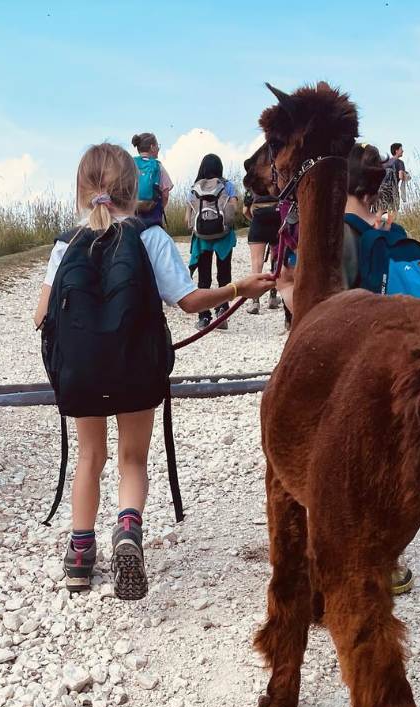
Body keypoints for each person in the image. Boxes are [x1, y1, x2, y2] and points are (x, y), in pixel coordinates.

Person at [33, 144, 275, 599]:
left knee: (90, 457)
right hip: (137, 369)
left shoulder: (66, 244)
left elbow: (40, 314)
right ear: (134, 188)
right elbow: (188, 302)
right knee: (132, 459)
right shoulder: (150, 237)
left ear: (82, 191)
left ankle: (80, 553)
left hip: (82, 374)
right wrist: (237, 287)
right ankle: (127, 530)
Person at [341, 142, 415, 595]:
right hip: (398, 357)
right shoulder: (394, 230)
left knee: (350, 452)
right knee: (390, 453)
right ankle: (387, 557)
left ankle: (347, 548)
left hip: (351, 359)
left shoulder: (336, 235)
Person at [186, 154, 239, 330]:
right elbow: (234, 209)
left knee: (204, 277)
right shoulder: (228, 185)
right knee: (224, 274)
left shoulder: (195, 187)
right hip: (223, 236)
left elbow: (188, 218)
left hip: (202, 238)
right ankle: (222, 310)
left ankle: (203, 317)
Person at [242, 154, 283, 315]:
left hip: (258, 224)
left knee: (256, 264)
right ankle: (273, 297)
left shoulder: (252, 187)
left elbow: (245, 210)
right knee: (275, 260)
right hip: (276, 223)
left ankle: (255, 302)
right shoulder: (277, 184)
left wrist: (254, 221)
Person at [130, 132, 173, 228]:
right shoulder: (158, 166)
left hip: (132, 217)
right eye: (158, 146)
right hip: (152, 217)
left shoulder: (130, 164)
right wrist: (159, 208)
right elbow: (165, 195)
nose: (158, 149)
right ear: (152, 147)